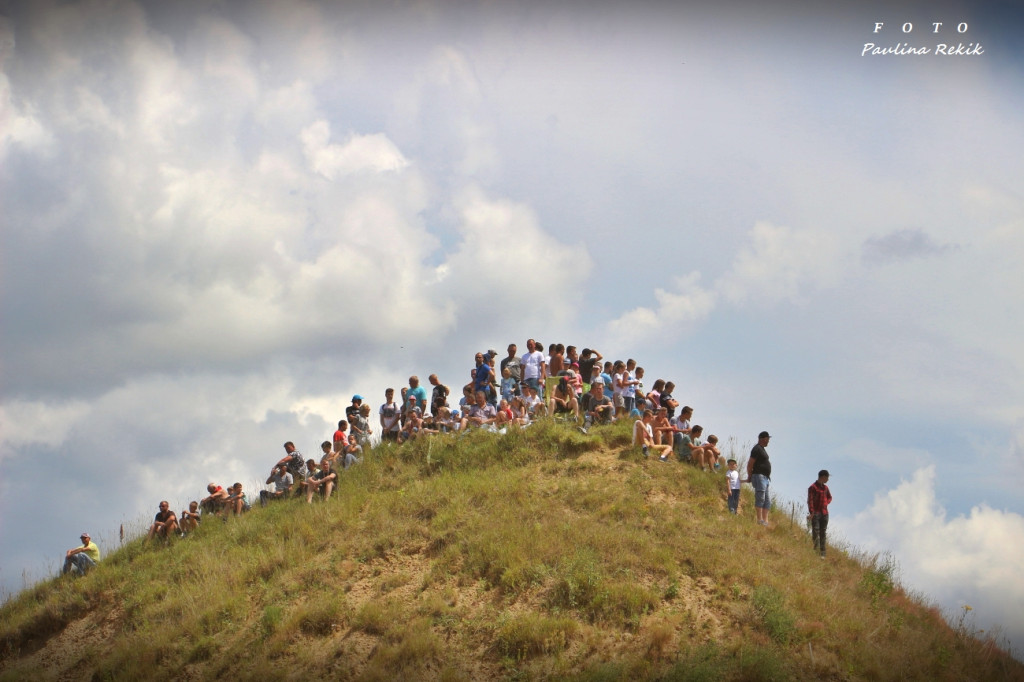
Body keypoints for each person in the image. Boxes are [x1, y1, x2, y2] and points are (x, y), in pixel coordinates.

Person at [747, 431, 773, 526]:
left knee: (767, 500)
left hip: (765, 478)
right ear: (763, 439)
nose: (768, 441)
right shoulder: (757, 449)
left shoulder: (762, 449)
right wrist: (750, 475)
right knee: (760, 497)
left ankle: (765, 521)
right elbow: (750, 463)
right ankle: (759, 519)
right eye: (767, 439)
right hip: (759, 476)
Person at [807, 469, 832, 558]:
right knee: (815, 531)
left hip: (825, 514)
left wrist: (826, 503)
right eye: (827, 477)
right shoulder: (812, 487)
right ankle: (815, 549)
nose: (828, 480)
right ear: (823, 477)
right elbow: (810, 501)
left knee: (823, 533)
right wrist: (812, 512)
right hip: (816, 513)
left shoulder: (826, 488)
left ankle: (822, 553)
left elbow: (830, 497)